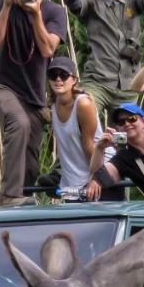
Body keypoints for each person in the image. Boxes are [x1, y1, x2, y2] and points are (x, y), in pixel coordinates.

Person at [0, 0, 68, 206]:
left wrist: (34, 14)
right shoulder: (5, 5)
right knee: (18, 123)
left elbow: (47, 49)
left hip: (34, 95)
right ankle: (9, 196)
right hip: (4, 86)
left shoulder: (54, 11)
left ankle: (24, 197)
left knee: (31, 155)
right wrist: (7, 7)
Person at [46, 56, 105, 201]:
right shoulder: (51, 106)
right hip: (71, 184)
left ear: (74, 80)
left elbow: (89, 144)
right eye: (53, 75)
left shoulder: (83, 104)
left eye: (64, 75)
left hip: (96, 174)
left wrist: (98, 178)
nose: (58, 79)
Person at [87, 103, 144, 209]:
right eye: (121, 122)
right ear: (117, 128)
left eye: (132, 118)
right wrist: (99, 148)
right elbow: (99, 174)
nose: (127, 124)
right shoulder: (124, 157)